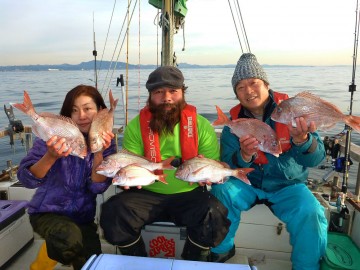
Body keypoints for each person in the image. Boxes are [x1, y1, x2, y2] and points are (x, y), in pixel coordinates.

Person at [210, 53, 328, 269]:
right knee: (220, 193)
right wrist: (243, 156)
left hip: (288, 185)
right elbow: (227, 162)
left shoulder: (292, 110)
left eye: (253, 83)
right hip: (248, 183)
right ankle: (220, 253)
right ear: (236, 93)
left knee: (312, 212)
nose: (248, 91)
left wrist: (303, 140)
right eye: (240, 87)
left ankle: (307, 266)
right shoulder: (234, 122)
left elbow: (317, 158)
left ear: (265, 83)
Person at [100, 66, 230, 261]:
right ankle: (138, 261)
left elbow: (212, 165)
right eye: (158, 92)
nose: (166, 97)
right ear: (150, 97)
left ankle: (191, 261)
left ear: (182, 93)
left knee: (214, 214)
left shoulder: (201, 125)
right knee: (113, 212)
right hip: (147, 192)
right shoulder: (136, 126)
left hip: (188, 192)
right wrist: (128, 176)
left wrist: (212, 176)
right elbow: (130, 163)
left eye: (173, 91)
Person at [17, 85, 117, 270]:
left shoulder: (106, 143)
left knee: (93, 263)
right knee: (69, 238)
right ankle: (42, 264)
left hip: (83, 218)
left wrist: (98, 154)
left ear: (100, 111)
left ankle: (44, 260)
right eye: (74, 110)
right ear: (67, 115)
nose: (82, 115)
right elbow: (26, 179)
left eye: (88, 108)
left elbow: (97, 188)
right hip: (47, 212)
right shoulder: (52, 137)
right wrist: (50, 156)